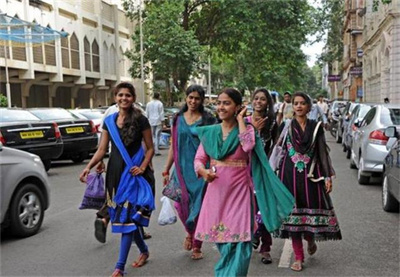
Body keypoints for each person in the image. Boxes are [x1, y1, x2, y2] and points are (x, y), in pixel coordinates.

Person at [194, 88, 294, 276]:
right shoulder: (210, 132)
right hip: (216, 193)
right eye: (219, 103)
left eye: (227, 103)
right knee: (222, 241)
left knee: (241, 240)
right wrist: (202, 171)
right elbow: (199, 159)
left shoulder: (247, 130)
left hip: (240, 192)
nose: (221, 107)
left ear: (238, 107)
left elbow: (248, 146)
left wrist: (241, 121)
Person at [79, 82, 155, 277]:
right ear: (115, 98)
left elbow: (150, 147)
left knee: (127, 219)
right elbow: (102, 150)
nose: (124, 98)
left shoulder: (141, 120)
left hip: (134, 174)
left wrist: (143, 166)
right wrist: (88, 167)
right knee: (125, 218)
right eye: (120, 95)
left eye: (128, 95)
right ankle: (144, 250)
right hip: (114, 175)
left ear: (133, 98)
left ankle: (119, 267)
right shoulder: (110, 121)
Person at [276, 92, 342, 272]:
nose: (298, 106)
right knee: (293, 217)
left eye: (302, 103)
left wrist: (327, 176)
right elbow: (278, 149)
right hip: (288, 175)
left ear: (308, 107)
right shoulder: (286, 126)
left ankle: (311, 239)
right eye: (296, 103)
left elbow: (322, 152)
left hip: (311, 176)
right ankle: (298, 257)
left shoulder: (316, 126)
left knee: (309, 211)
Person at [162, 85, 217, 260]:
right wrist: (166, 169)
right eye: (190, 97)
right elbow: (173, 146)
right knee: (180, 205)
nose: (193, 101)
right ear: (186, 98)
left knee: (198, 207)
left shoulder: (208, 119)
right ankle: (189, 232)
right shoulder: (177, 118)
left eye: (197, 98)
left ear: (202, 100)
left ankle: (197, 244)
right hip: (181, 169)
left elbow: (213, 145)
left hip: (200, 170)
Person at [246, 88, 279, 264]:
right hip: (245, 171)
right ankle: (253, 234)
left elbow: (277, 146)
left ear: (268, 103)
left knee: (264, 208)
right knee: (249, 207)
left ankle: (265, 248)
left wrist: (272, 167)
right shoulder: (244, 121)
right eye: (256, 98)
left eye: (263, 99)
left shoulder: (272, 122)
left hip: (265, 171)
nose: (258, 101)